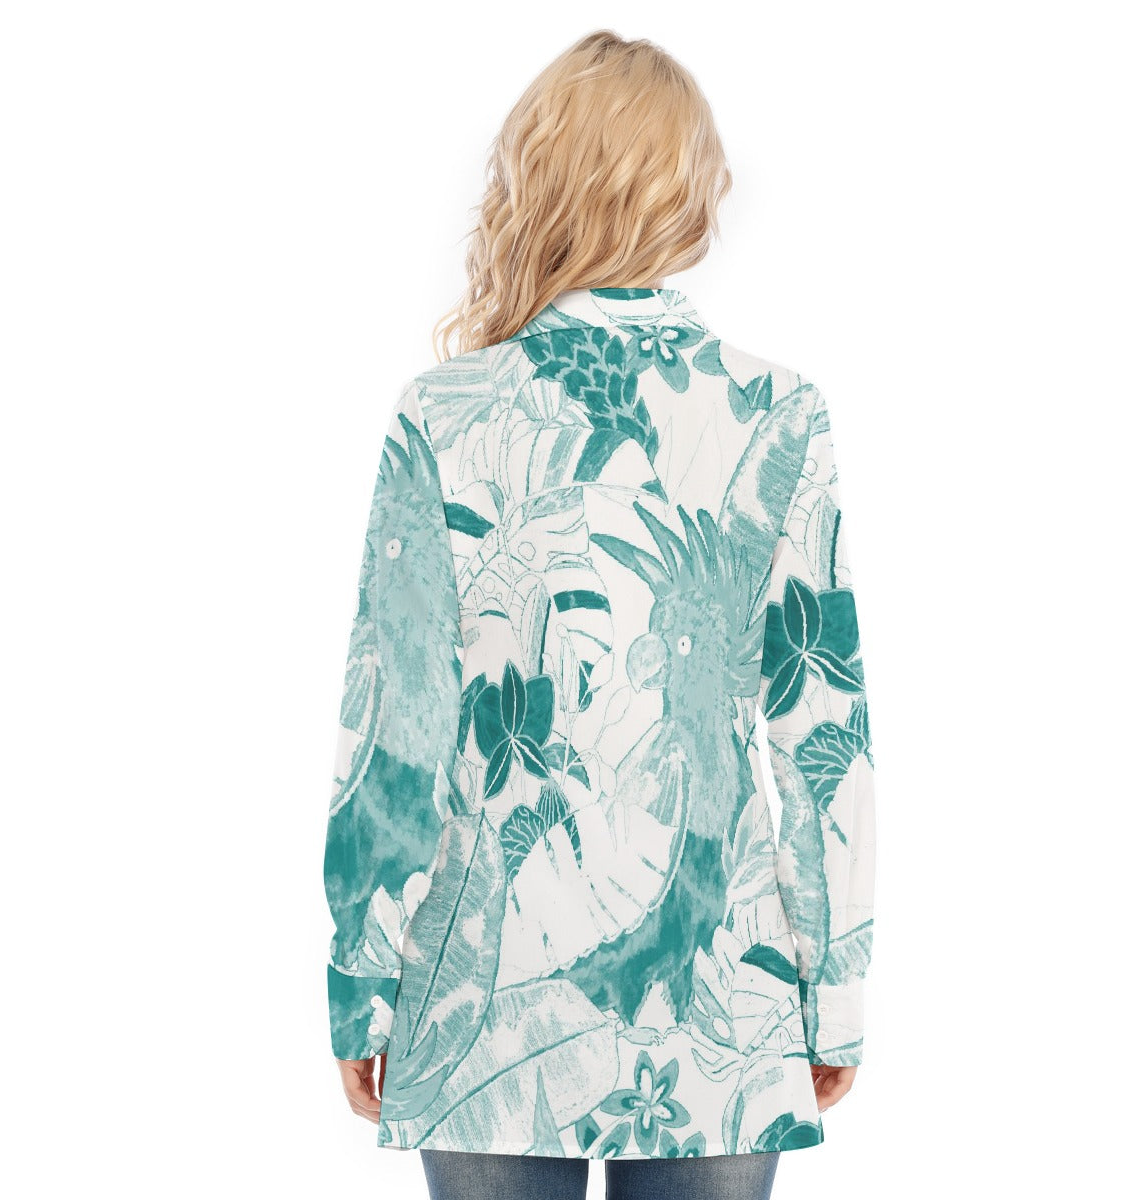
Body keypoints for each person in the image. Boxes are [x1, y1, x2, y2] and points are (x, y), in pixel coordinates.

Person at [322, 28, 877, 1200]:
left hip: (479, 1003)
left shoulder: (442, 412)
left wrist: (361, 983)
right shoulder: (777, 414)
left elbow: (396, 729)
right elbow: (822, 731)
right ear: (687, 192)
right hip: (728, 991)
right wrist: (833, 988)